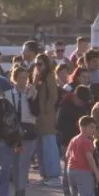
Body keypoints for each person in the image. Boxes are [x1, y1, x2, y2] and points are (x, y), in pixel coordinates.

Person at [6, 66, 39, 196]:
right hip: (13, 133)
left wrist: (31, 98)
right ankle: (16, 192)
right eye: (21, 78)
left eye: (26, 78)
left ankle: (21, 194)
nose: (24, 81)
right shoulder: (7, 95)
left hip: (28, 132)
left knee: (24, 164)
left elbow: (36, 112)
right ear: (15, 78)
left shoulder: (32, 93)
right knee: (15, 164)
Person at [32, 55, 62, 187]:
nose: (38, 67)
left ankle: (54, 175)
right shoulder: (37, 76)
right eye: (36, 64)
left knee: (49, 145)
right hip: (37, 116)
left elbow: (53, 96)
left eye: (40, 64)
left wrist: (46, 110)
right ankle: (45, 175)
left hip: (46, 116)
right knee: (40, 147)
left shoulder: (49, 76)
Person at [66, 116, 99, 196]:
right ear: (83, 127)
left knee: (74, 195)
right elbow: (89, 158)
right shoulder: (87, 142)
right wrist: (97, 173)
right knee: (85, 195)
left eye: (95, 128)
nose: (93, 130)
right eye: (91, 127)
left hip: (71, 170)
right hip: (83, 171)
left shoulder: (74, 139)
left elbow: (67, 154)